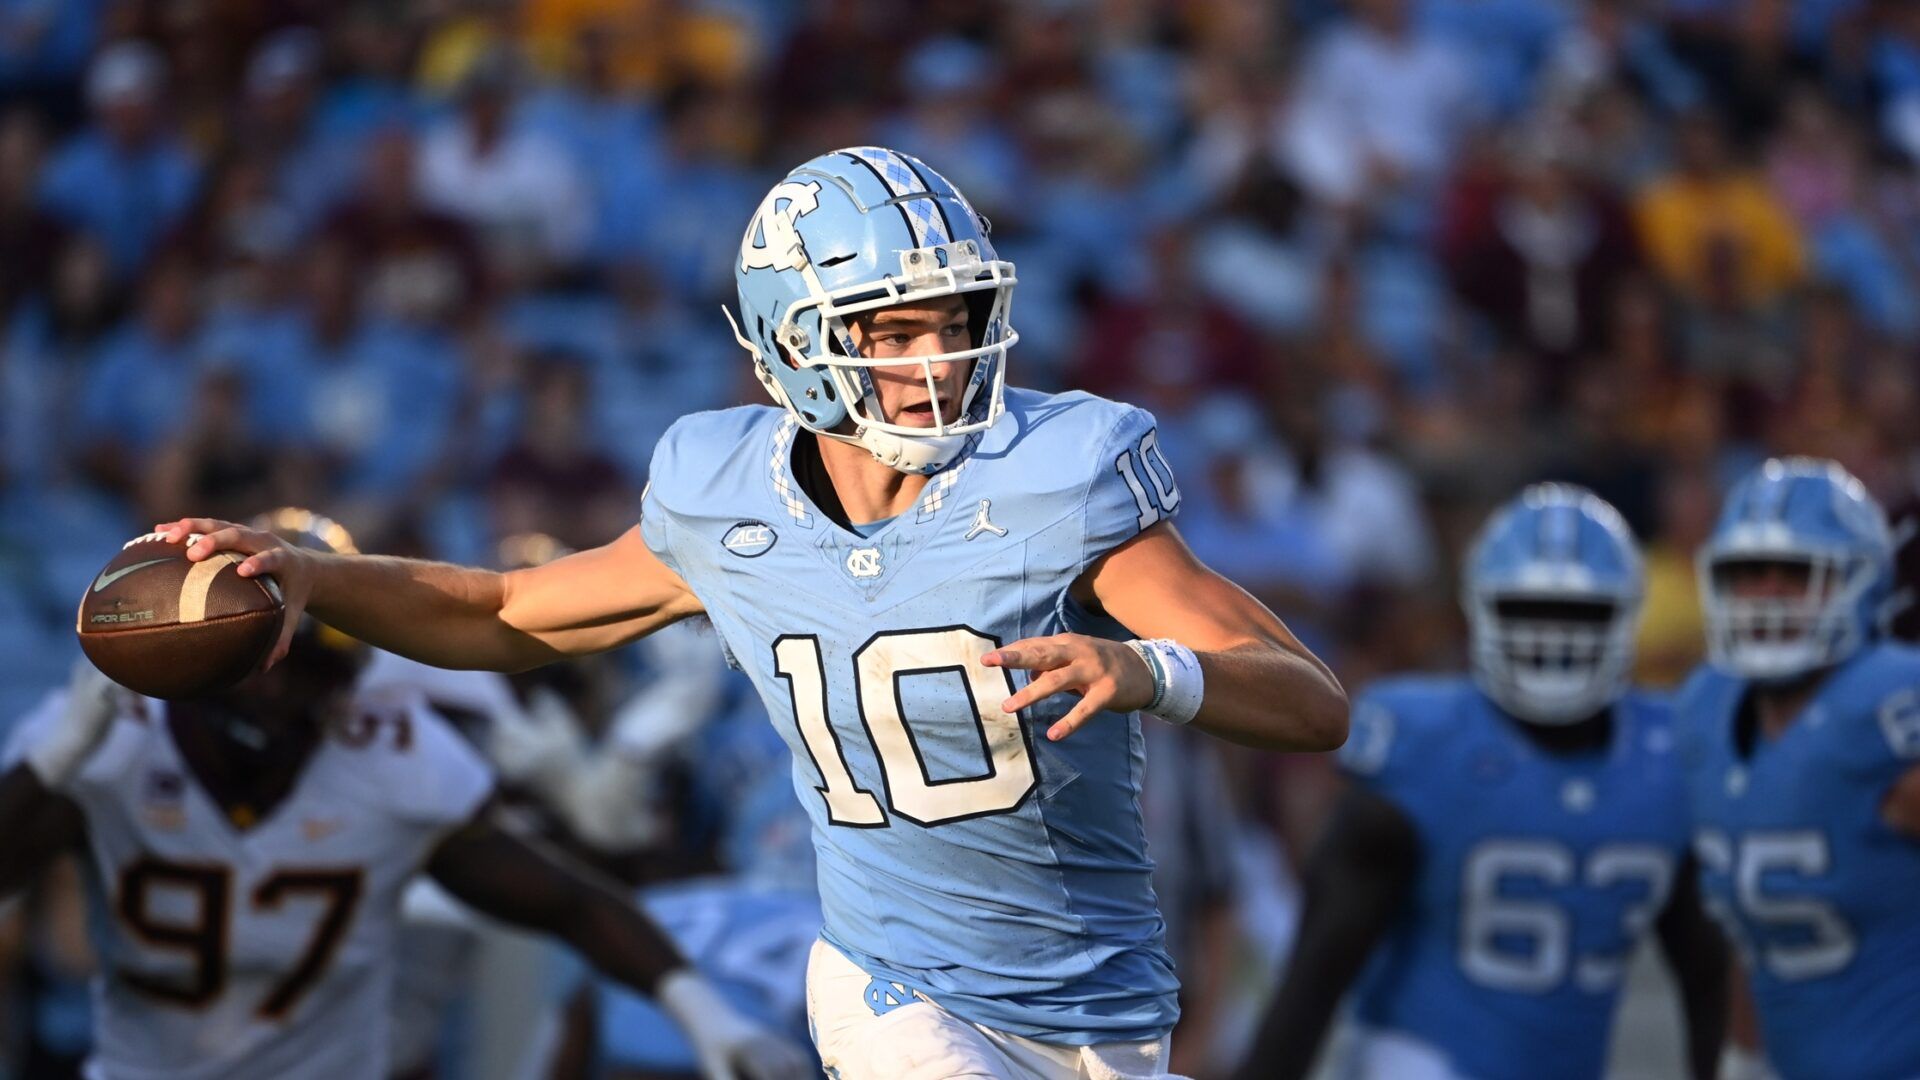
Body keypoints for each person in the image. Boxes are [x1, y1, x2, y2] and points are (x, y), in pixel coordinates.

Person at [155, 145, 1348, 1079]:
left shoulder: (1059, 471)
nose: (940, 358)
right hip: (891, 985)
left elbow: (1311, 704)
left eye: (958, 319)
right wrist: (317, 581)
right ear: (796, 343)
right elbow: (510, 611)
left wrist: (1151, 672)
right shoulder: (724, 496)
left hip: (1104, 1006)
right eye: (894, 331)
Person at [0, 525, 810, 1080]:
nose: (326, 692)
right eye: (302, 666)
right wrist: (53, 759)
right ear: (225, 672)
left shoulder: (387, 758)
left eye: (334, 667)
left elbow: (567, 901)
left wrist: (712, 1019)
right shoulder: (108, 739)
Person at [1234, 485, 1726, 1080]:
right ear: (1481, 608)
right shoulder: (1423, 743)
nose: (1552, 635)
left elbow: (1706, 972)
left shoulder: (1668, 752)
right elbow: (1316, 971)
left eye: (1579, 612)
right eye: (1528, 610)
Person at [1679, 457, 1920, 1079]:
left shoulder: (1888, 707)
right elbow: (1756, 931)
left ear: (1858, 583)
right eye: (1748, 573)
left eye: (1795, 573)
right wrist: (1742, 1062)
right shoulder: (1707, 711)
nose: (1767, 594)